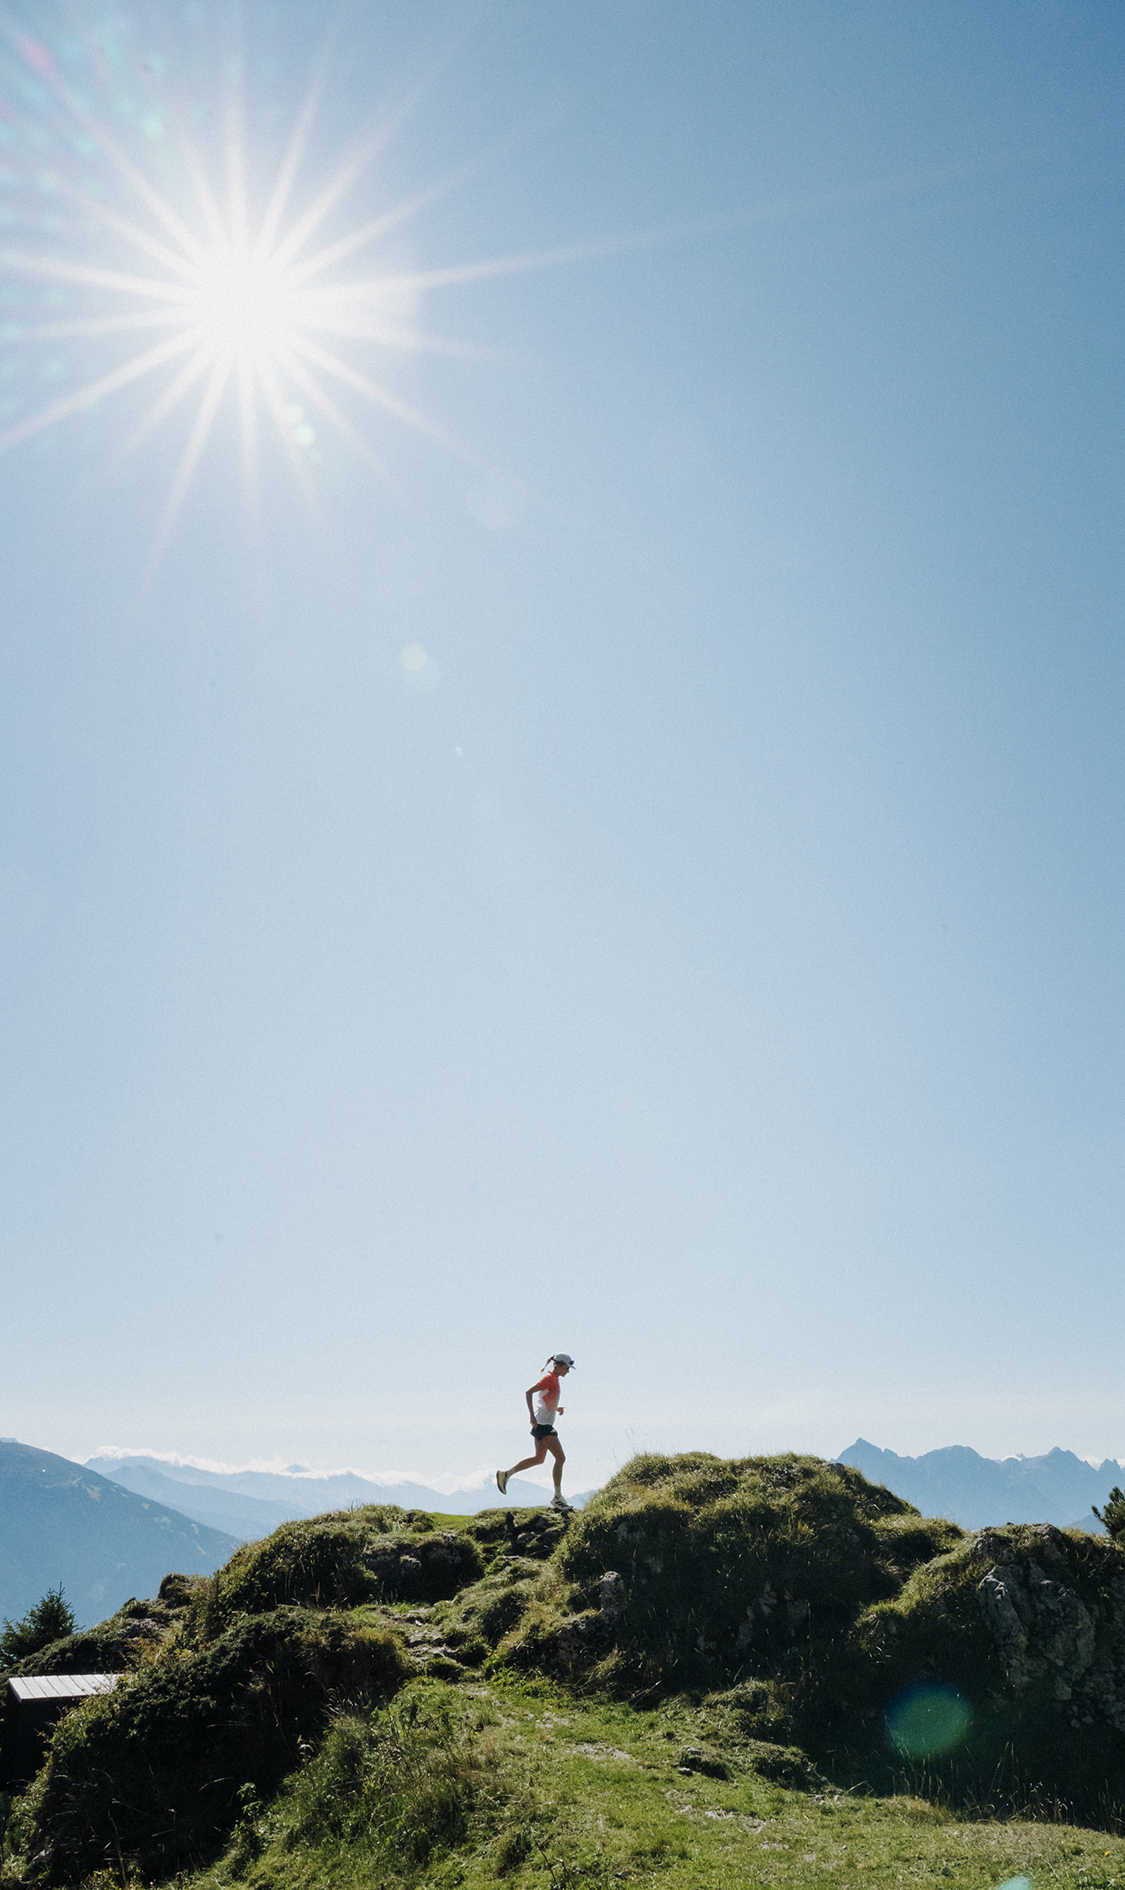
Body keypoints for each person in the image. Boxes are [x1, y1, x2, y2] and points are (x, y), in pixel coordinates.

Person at [496, 1353, 575, 1510]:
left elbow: (544, 1400)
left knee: (539, 1458)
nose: (568, 1371)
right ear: (558, 1366)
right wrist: (531, 1416)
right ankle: (558, 1498)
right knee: (560, 1458)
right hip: (543, 1426)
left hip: (542, 1424)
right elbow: (528, 1392)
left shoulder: (554, 1379)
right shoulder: (549, 1379)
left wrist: (555, 1408)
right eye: (566, 1368)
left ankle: (505, 1474)